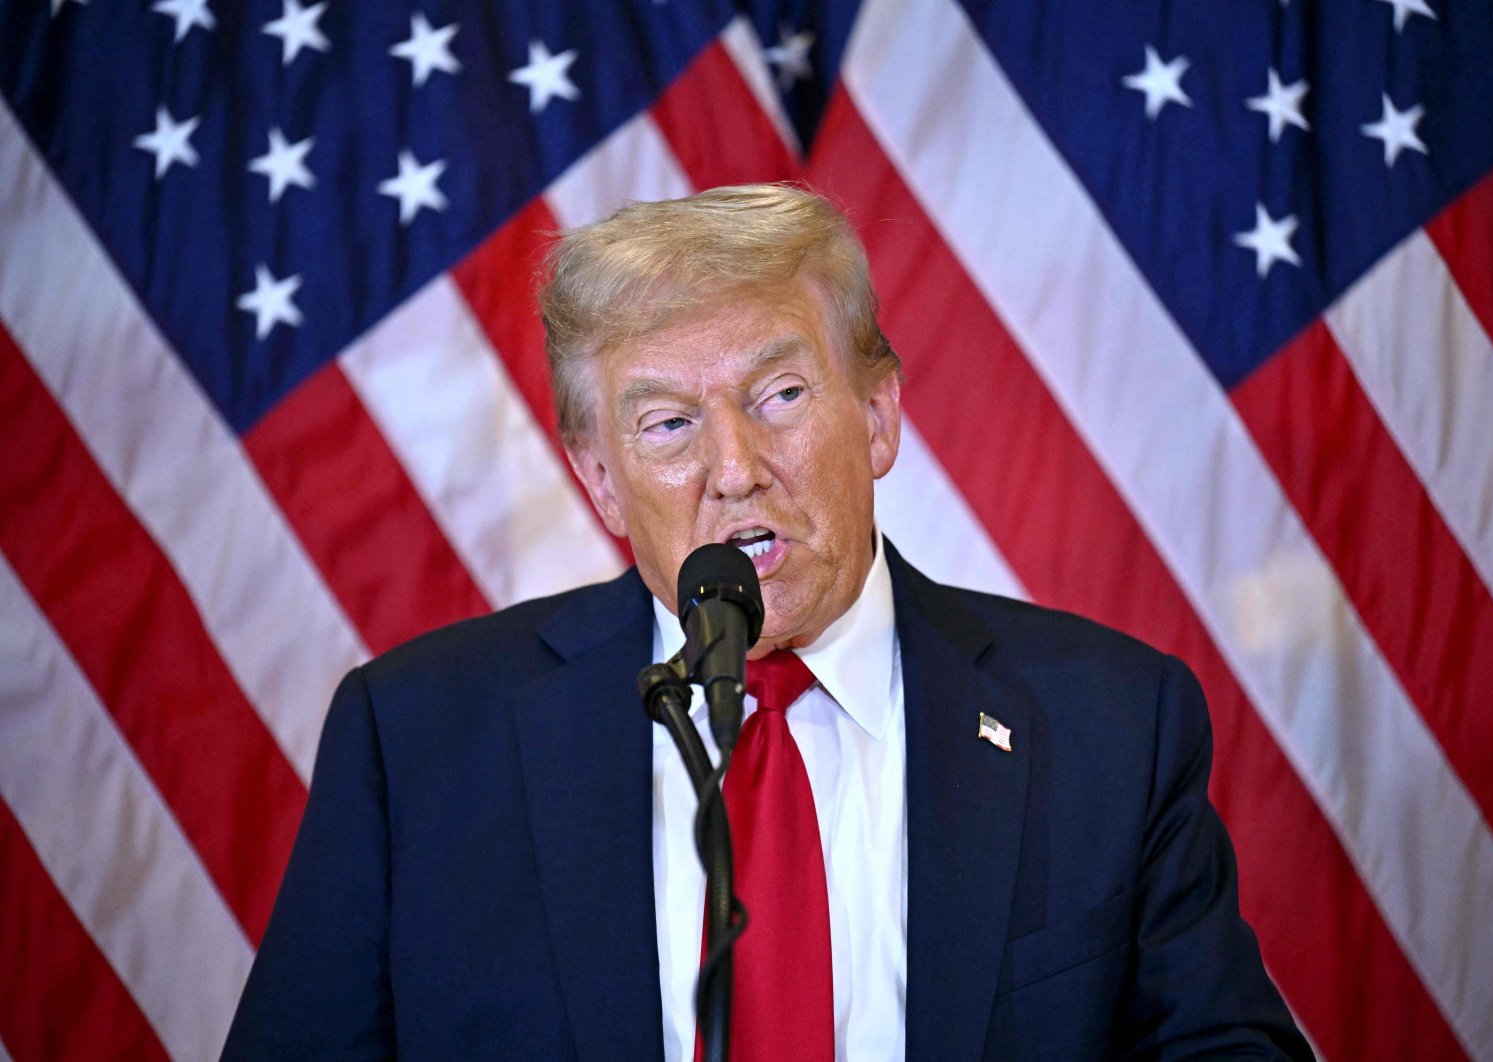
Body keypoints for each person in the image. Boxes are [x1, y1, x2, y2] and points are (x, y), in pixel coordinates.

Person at [224, 184, 1311, 1060]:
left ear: (877, 416)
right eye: (668, 423)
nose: (734, 469)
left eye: (780, 395)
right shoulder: (416, 739)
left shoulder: (1109, 726)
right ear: (601, 481)